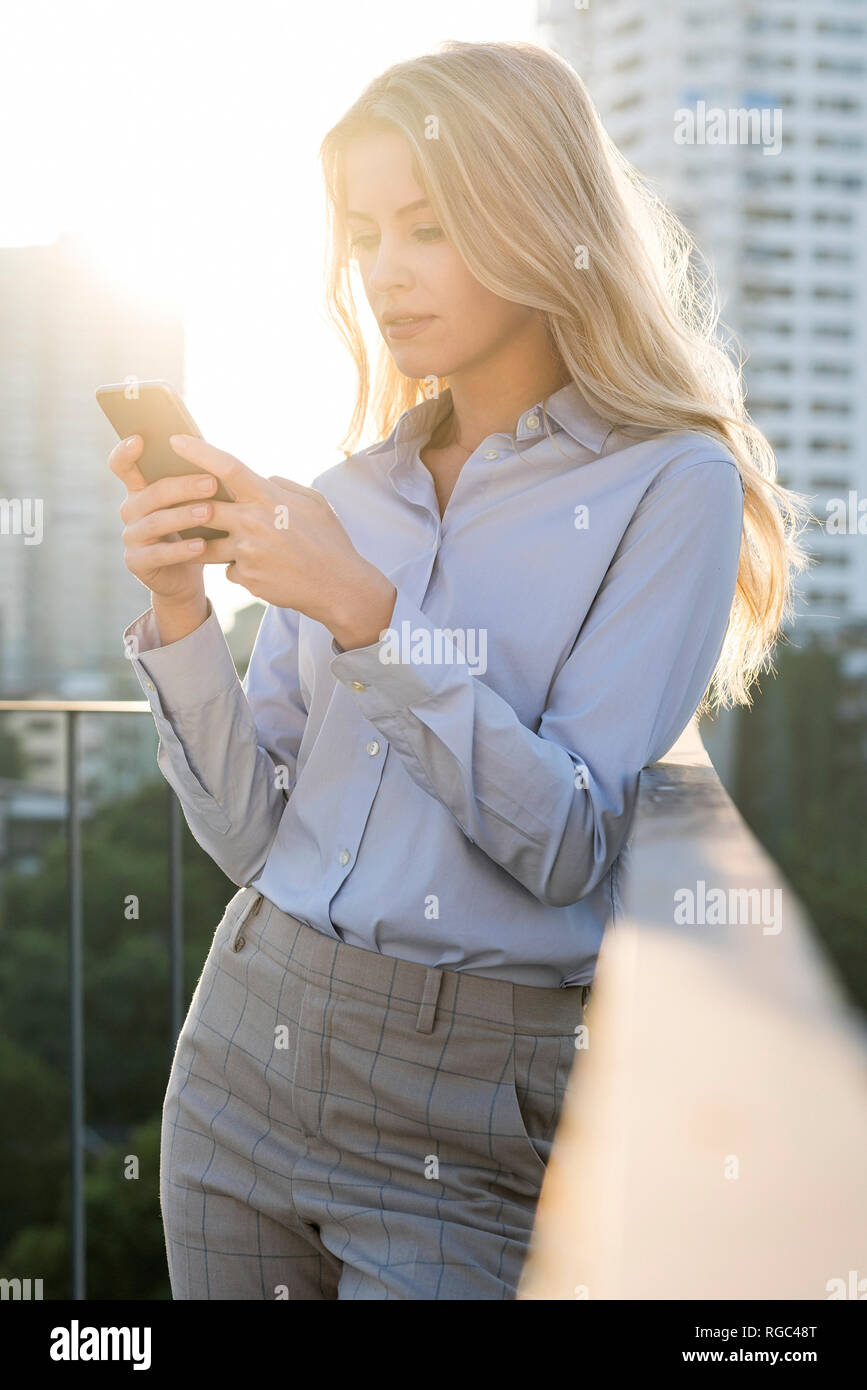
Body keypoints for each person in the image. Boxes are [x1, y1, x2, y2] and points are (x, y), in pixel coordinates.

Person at [110, 40, 811, 1300]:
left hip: (473, 1094)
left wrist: (371, 620)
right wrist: (177, 614)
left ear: (539, 216)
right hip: (246, 1044)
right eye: (364, 233)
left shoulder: (672, 487)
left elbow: (569, 845)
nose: (383, 272)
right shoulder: (344, 494)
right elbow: (252, 835)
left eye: (427, 226)